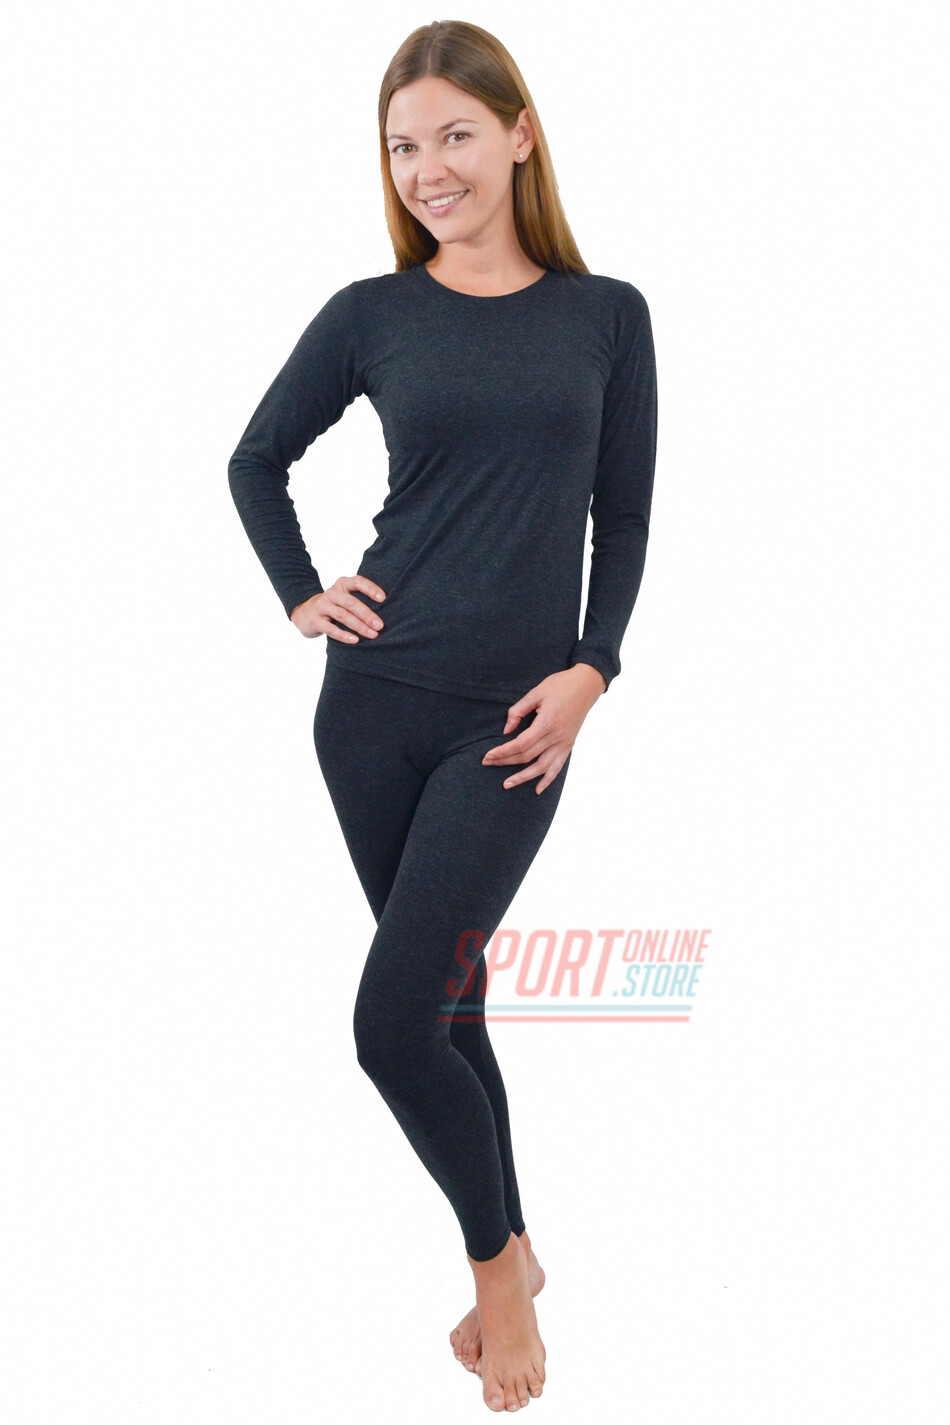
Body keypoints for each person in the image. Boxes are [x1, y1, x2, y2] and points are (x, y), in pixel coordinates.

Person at [227, 19, 658, 1414]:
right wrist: (303, 595)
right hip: (369, 709)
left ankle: (494, 1267)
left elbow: (622, 516)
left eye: (456, 135)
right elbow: (254, 459)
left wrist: (594, 668)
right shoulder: (372, 312)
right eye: (404, 146)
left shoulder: (607, 316)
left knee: (391, 1023)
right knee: (443, 1001)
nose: (429, 168)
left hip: (514, 722)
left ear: (519, 134)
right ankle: (513, 1250)